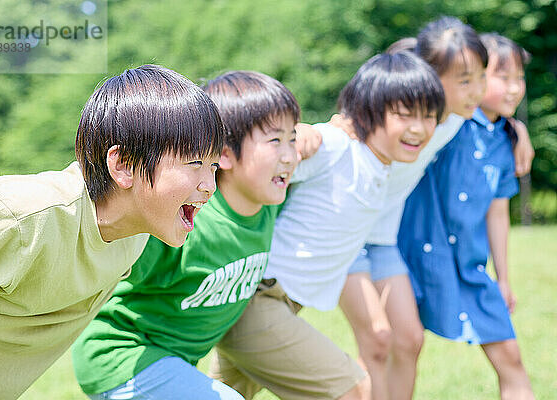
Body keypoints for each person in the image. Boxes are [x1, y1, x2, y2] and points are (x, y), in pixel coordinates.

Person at [0, 64, 224, 400]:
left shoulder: (135, 235)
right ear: (123, 166)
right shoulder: (24, 217)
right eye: (194, 163)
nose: (209, 185)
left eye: (214, 166)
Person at [209, 51, 445, 400]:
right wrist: (303, 134)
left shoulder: (381, 165)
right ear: (367, 110)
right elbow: (279, 156)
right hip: (257, 298)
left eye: (428, 116)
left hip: (273, 302)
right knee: (352, 391)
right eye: (404, 114)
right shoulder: (336, 146)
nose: (419, 128)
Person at [71, 70, 302, 399]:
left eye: (292, 140)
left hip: (174, 362)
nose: (289, 154)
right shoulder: (177, 222)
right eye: (275, 140)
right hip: (123, 355)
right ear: (229, 154)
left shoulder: (265, 203)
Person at [339, 18, 535, 400]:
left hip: (407, 248)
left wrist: (514, 127)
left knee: (406, 340)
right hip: (367, 236)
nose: (477, 91)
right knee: (380, 343)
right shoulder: (427, 118)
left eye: (481, 78)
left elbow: (497, 202)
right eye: (467, 80)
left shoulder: (467, 125)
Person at [398, 32, 535, 400]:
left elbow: (498, 213)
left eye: (519, 78)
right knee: (399, 350)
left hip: (469, 267)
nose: (513, 89)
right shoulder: (446, 121)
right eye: (502, 77)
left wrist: (503, 278)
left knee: (511, 358)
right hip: (413, 257)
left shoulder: (505, 140)